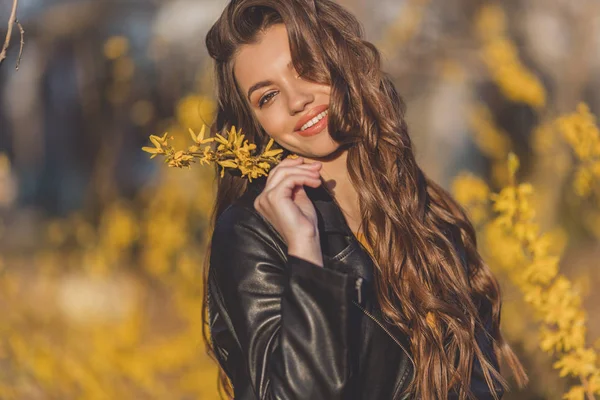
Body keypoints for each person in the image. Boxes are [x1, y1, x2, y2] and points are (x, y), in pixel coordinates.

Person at [201, 0, 528, 399]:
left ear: (341, 60)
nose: (297, 100)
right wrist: (306, 254)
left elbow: (476, 379)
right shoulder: (251, 233)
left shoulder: (425, 210)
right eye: (267, 97)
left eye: (305, 68)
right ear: (255, 122)